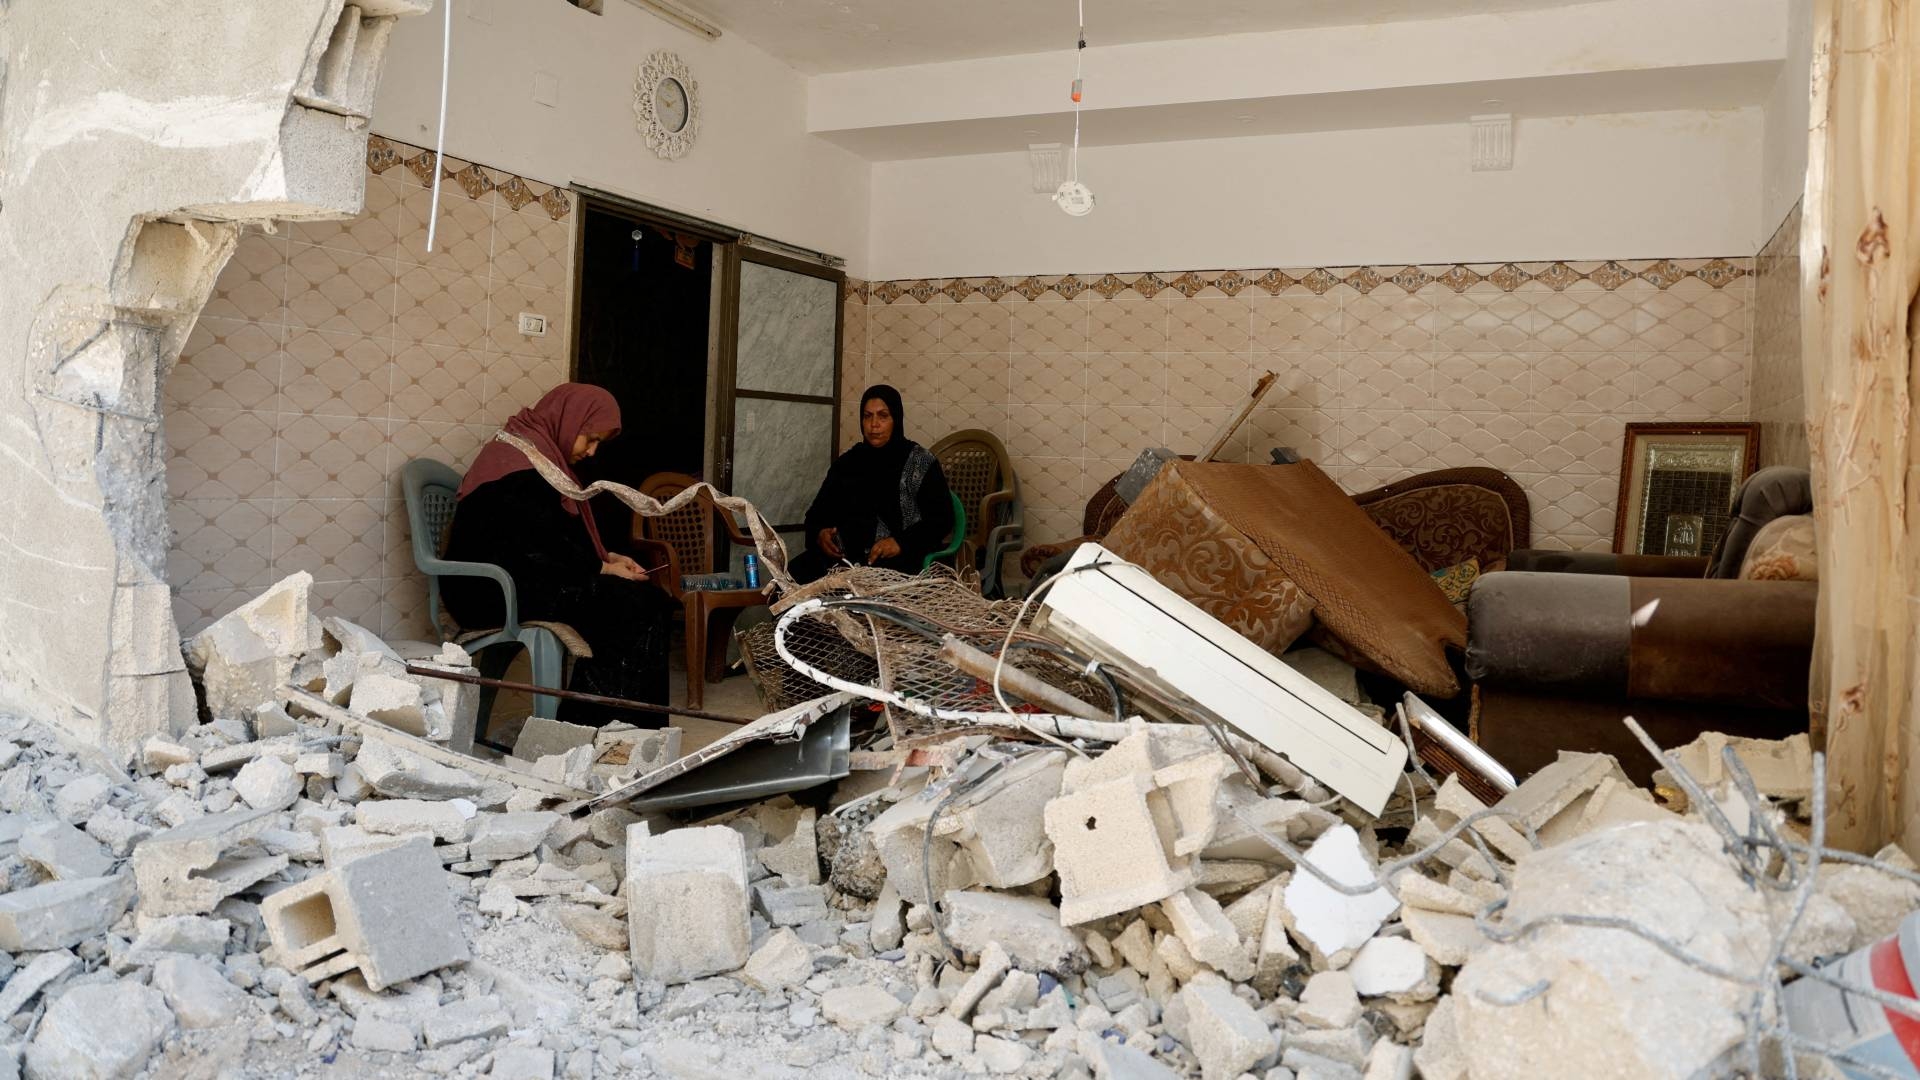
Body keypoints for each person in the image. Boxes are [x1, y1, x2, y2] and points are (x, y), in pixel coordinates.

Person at [441, 383, 675, 726]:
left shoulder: (540, 458)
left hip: (526, 578)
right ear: (568, 419)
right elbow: (533, 546)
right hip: (489, 590)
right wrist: (602, 568)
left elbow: (553, 538)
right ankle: (592, 728)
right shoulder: (515, 463)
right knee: (633, 606)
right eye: (590, 438)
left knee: (644, 602)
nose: (592, 452)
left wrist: (606, 558)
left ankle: (618, 729)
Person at [792, 384, 955, 583]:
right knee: (792, 576)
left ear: (896, 419)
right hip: (845, 559)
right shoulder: (847, 464)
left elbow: (942, 519)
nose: (873, 424)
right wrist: (820, 534)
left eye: (883, 416)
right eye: (867, 416)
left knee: (857, 593)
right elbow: (816, 514)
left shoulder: (919, 462)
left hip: (899, 561)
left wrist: (900, 542)